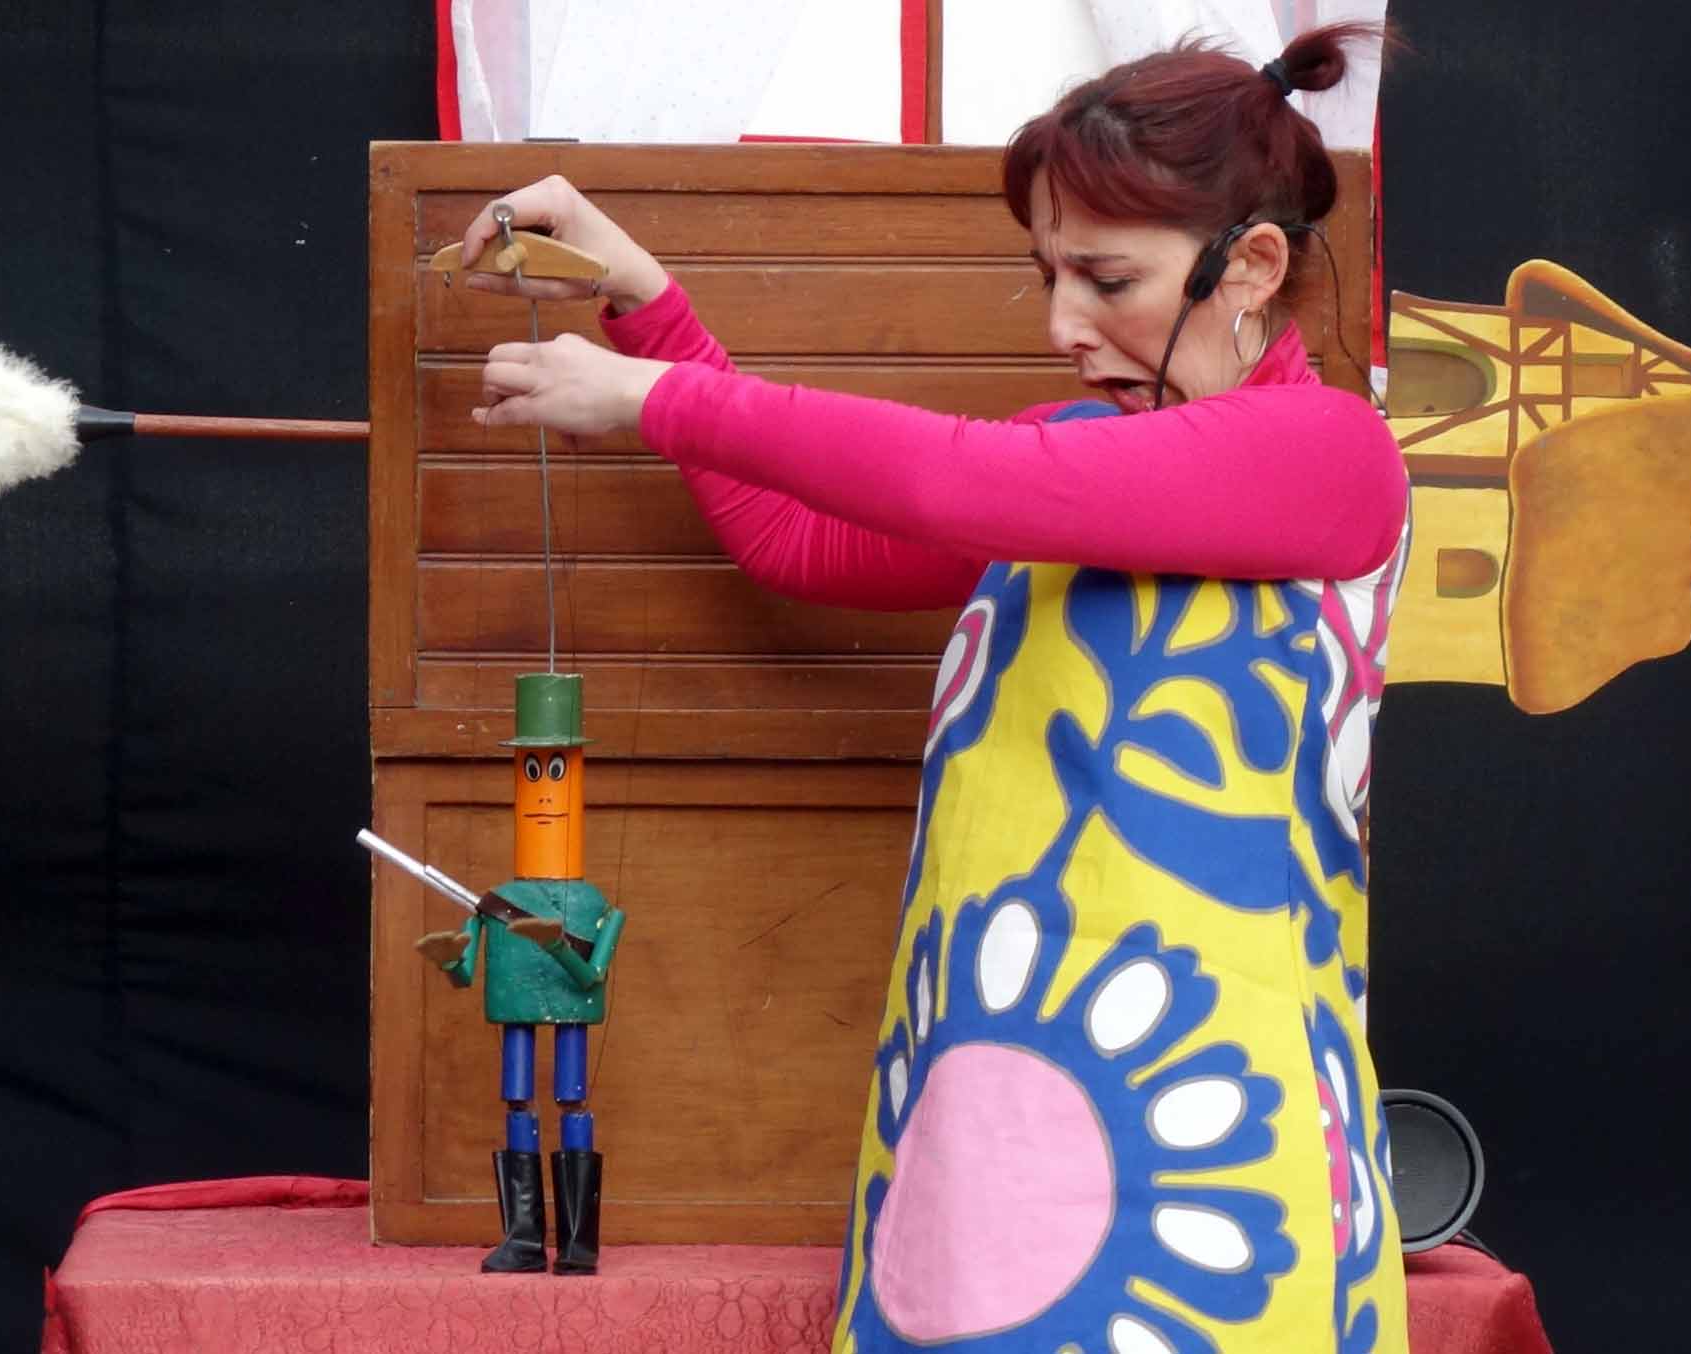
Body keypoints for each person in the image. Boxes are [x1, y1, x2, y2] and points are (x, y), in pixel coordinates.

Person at [459, 21, 1410, 1353]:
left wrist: (659, 395)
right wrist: (644, 295)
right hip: (988, 1133)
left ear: (1251, 265)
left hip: (1221, 1154)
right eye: (1048, 275)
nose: (1063, 323)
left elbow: (964, 480)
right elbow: (796, 538)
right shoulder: (1067, 460)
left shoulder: (1330, 453)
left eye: (1107, 278)